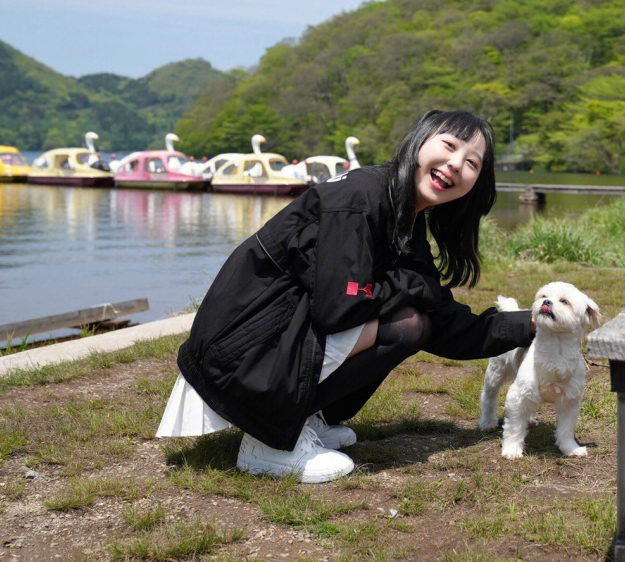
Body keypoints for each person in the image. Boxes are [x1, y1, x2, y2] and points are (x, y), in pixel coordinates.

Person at [156, 110, 535, 483]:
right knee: (407, 322)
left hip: (268, 346)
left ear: (477, 181)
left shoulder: (405, 217)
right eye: (448, 145)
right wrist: (409, 285)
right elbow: (338, 308)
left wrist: (535, 322)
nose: (454, 164)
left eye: (470, 162)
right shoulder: (360, 196)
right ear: (419, 142)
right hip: (240, 352)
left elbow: (448, 324)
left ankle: (302, 417)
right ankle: (268, 444)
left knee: (418, 320)